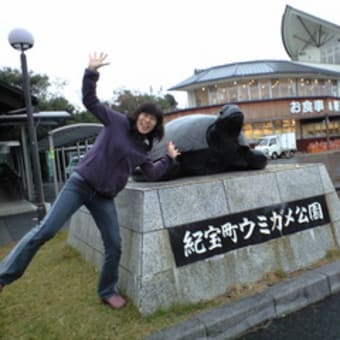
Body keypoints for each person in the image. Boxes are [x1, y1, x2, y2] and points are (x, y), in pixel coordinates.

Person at [0, 52, 180, 309]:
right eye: (145, 115)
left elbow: (151, 173)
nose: (147, 120)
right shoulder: (116, 121)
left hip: (103, 197)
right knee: (46, 230)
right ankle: (3, 276)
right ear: (138, 115)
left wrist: (170, 159)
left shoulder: (142, 149)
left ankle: (107, 290)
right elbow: (90, 100)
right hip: (80, 183)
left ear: (155, 126)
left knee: (114, 245)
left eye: (153, 120)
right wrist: (91, 72)